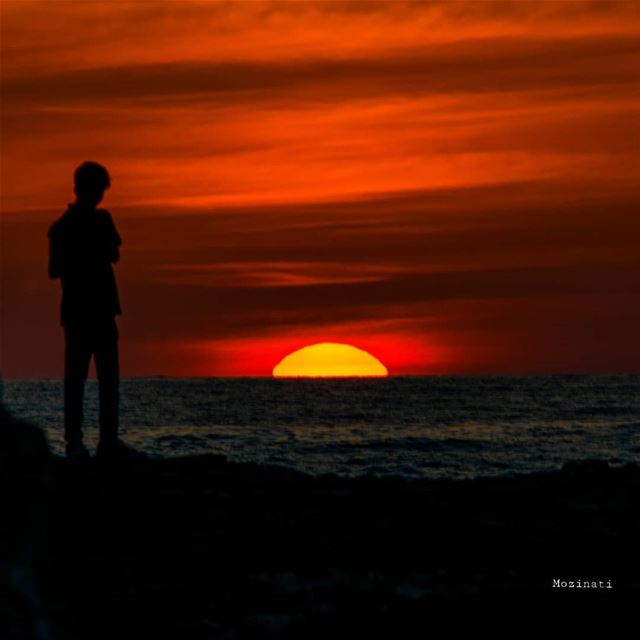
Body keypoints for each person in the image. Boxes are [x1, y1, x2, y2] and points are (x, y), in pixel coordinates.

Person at [48, 161, 141, 460]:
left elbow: (113, 251)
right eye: (98, 189)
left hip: (92, 311)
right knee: (85, 380)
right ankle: (80, 443)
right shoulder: (68, 227)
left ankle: (102, 442)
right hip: (85, 311)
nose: (99, 196)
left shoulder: (71, 226)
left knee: (100, 379)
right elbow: (57, 269)